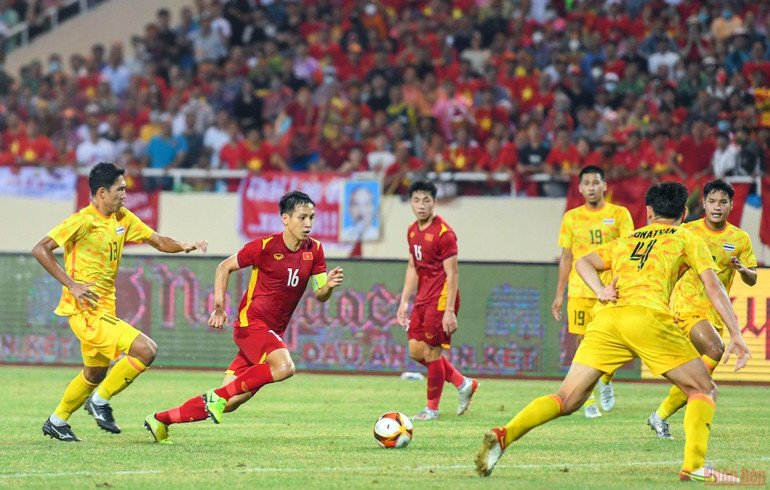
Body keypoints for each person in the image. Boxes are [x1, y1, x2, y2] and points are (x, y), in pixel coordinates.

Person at [476, 182, 751, 483]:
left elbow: (583, 262)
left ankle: (505, 435)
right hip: (647, 317)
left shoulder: (628, 239)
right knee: (703, 389)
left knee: (566, 398)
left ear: (648, 212)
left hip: (607, 319)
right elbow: (713, 285)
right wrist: (736, 334)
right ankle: (695, 466)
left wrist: (601, 291)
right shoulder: (687, 236)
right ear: (684, 212)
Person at [145, 191, 344, 443]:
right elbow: (224, 267)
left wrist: (329, 286)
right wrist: (219, 306)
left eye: (312, 218)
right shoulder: (264, 247)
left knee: (230, 401)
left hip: (270, 334)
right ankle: (218, 397)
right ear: (285, 218)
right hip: (251, 326)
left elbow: (320, 294)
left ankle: (161, 419)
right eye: (302, 217)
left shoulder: (314, 250)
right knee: (284, 367)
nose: (308, 224)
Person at [33, 162, 207, 442]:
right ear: (102, 192)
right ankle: (99, 401)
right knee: (147, 350)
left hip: (104, 309)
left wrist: (185, 245)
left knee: (95, 372)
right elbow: (40, 249)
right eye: (120, 189)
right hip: (85, 310)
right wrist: (72, 284)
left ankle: (57, 421)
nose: (125, 194)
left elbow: (159, 241)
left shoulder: (122, 218)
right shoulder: (82, 220)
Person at [648, 179, 756, 438]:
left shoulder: (739, 239)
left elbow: (753, 278)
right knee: (715, 350)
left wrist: (742, 270)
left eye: (722, 202)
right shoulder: (687, 231)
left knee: (700, 378)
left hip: (713, 314)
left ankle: (660, 416)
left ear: (731, 205)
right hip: (685, 306)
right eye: (711, 201)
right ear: (703, 204)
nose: (716, 207)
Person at [551, 165, 634, 417]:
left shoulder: (619, 214)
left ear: (605, 185)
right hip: (579, 290)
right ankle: (588, 402)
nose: (591, 187)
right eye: (586, 183)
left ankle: (606, 380)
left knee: (614, 343)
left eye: (596, 182)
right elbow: (567, 258)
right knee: (581, 346)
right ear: (579, 188)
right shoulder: (571, 217)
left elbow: (629, 251)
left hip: (610, 290)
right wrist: (558, 294)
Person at [396, 180, 478, 420]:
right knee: (415, 351)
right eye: (416, 200)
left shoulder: (444, 233)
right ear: (410, 202)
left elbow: (453, 273)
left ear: (434, 202)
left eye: (426, 200)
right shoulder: (412, 230)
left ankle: (431, 409)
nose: (421, 205)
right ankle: (463, 383)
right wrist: (403, 301)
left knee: (431, 354)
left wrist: (450, 310)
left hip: (441, 300)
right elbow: (413, 267)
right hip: (422, 298)